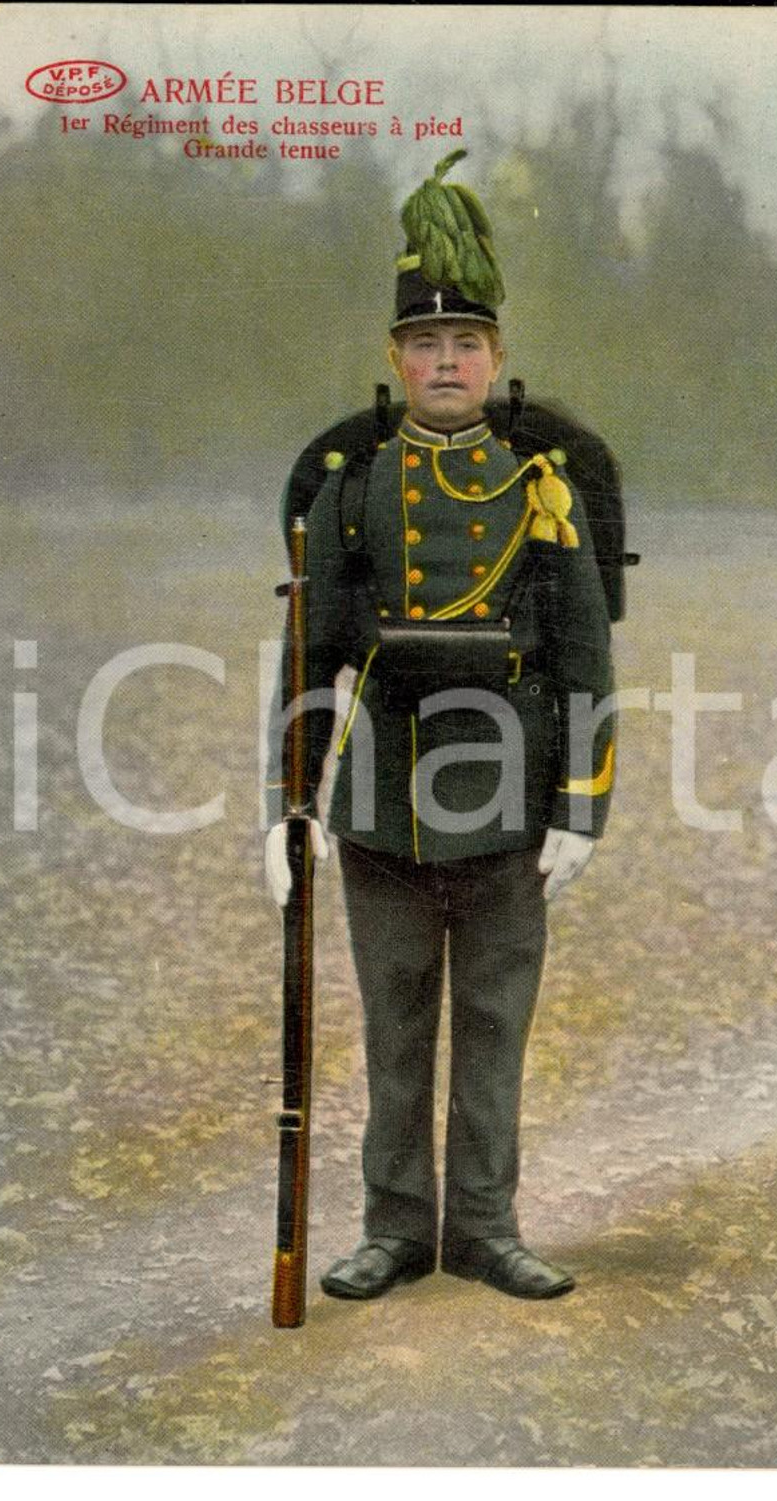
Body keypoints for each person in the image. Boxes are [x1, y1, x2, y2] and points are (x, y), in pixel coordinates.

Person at [265, 153, 616, 1301]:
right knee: (397, 1028)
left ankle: (485, 1228)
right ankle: (395, 1229)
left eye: (467, 342)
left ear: (496, 357)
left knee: (495, 1027)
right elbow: (309, 661)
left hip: (508, 797)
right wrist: (286, 807)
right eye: (426, 345)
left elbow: (584, 661)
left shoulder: (541, 485)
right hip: (381, 803)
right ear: (396, 357)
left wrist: (580, 807)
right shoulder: (350, 487)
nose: (448, 361)